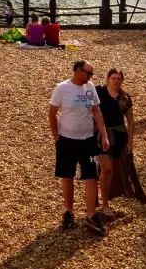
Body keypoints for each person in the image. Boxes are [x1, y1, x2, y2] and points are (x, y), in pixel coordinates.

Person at [49, 60, 109, 235]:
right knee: (67, 176)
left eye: (92, 74)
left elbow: (96, 111)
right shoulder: (62, 88)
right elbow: (52, 112)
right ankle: (68, 211)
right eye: (88, 73)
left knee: (91, 176)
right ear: (77, 70)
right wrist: (56, 136)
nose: (90, 77)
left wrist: (104, 135)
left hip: (87, 139)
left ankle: (91, 215)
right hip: (66, 139)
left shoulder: (90, 87)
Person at [96, 68, 138, 217]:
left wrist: (130, 142)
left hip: (119, 135)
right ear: (108, 78)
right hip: (101, 135)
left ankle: (106, 197)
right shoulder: (98, 91)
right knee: (106, 168)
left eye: (119, 79)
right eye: (113, 78)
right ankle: (104, 203)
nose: (116, 81)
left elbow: (131, 121)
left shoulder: (124, 97)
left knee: (115, 170)